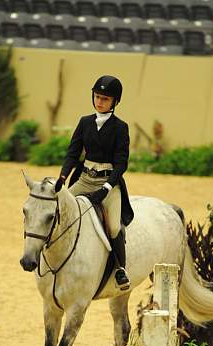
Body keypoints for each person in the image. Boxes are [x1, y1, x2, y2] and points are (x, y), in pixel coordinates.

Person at [54, 75, 134, 291]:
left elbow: (121, 164)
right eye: (97, 97)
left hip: (109, 183)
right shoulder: (84, 122)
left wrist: (107, 188)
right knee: (58, 208)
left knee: (114, 227)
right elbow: (72, 154)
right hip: (84, 178)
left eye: (105, 99)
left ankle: (120, 269)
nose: (100, 102)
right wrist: (62, 177)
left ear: (115, 102)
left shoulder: (120, 128)